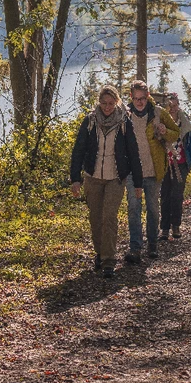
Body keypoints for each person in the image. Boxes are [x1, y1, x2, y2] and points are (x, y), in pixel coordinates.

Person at [70, 86, 143, 278]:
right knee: (96, 218)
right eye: (104, 103)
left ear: (117, 102)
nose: (108, 107)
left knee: (109, 216)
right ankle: (100, 253)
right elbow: (78, 150)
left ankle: (109, 260)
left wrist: (138, 183)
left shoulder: (124, 122)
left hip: (115, 178)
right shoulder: (90, 121)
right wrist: (75, 179)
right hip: (93, 177)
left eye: (111, 103)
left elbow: (133, 153)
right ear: (99, 102)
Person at [124, 80, 180, 263]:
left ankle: (153, 245)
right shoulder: (125, 115)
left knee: (153, 209)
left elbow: (175, 132)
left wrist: (165, 131)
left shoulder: (158, 113)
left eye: (142, 98)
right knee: (133, 209)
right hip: (133, 173)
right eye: (136, 98)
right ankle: (135, 247)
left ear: (148, 96)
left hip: (154, 170)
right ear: (131, 98)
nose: (139, 102)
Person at [159, 93, 191, 241]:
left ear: (178, 106)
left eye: (175, 105)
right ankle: (164, 228)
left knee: (177, 195)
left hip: (181, 164)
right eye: (170, 106)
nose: (173, 109)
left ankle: (175, 225)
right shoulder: (160, 123)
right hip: (164, 164)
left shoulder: (185, 124)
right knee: (164, 195)